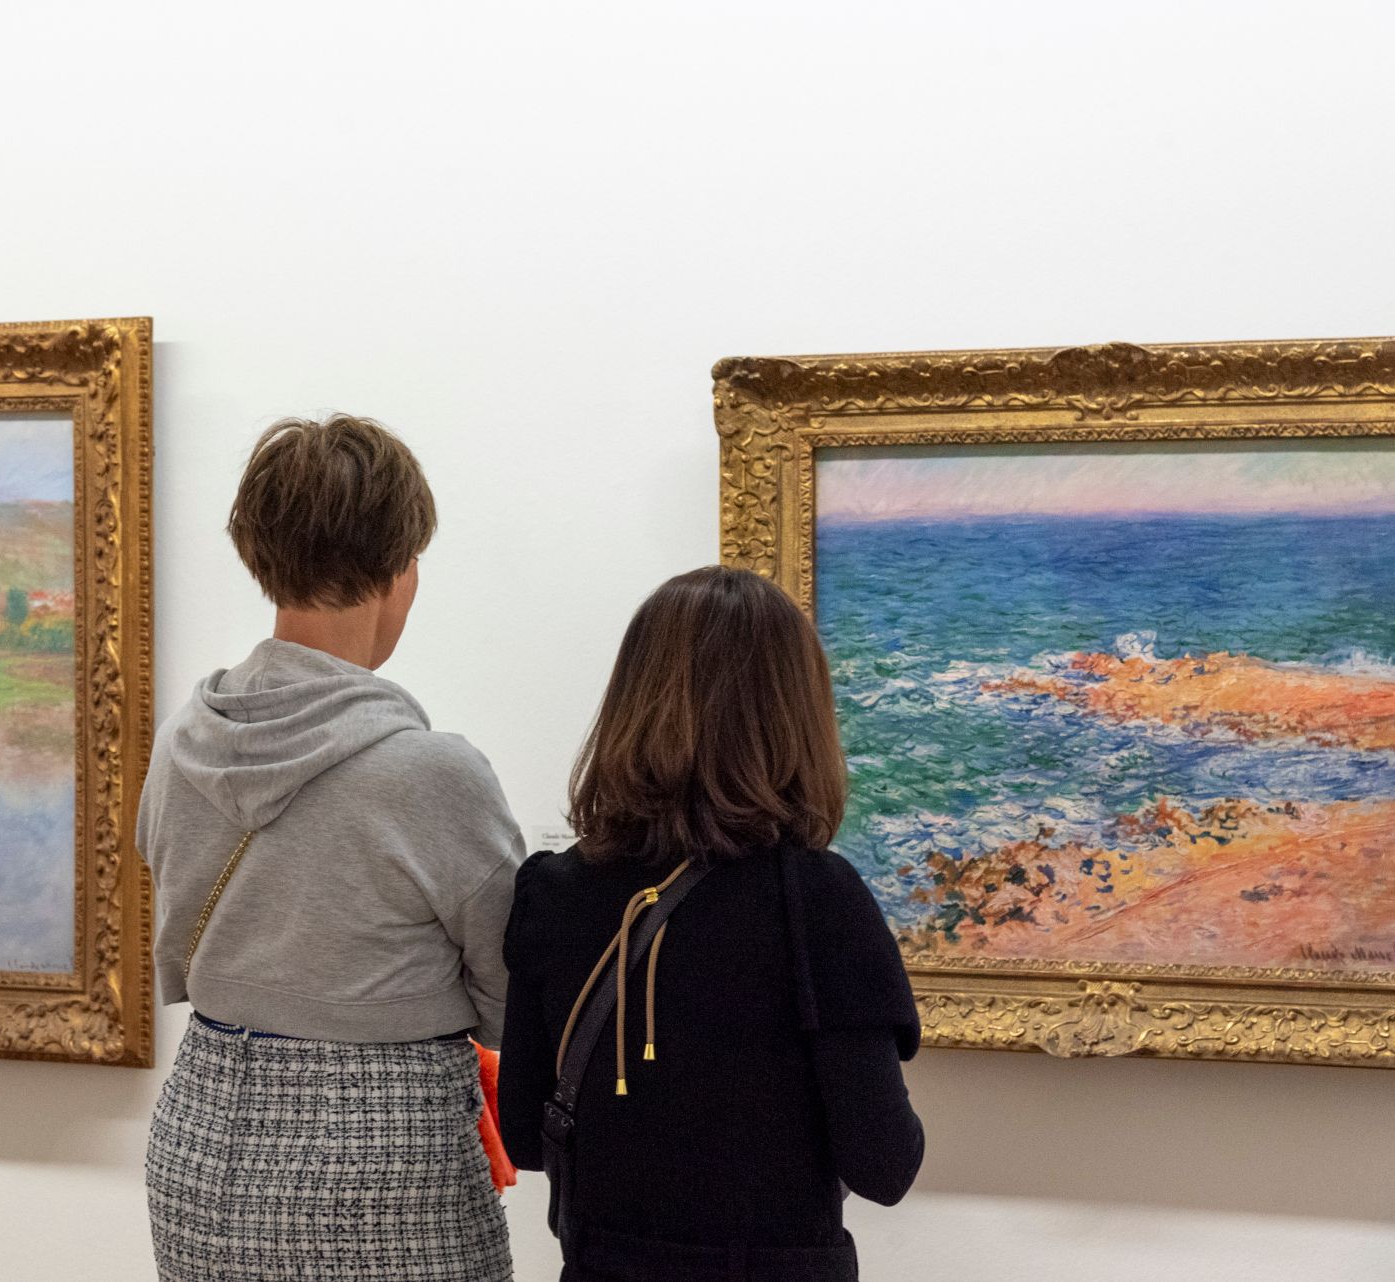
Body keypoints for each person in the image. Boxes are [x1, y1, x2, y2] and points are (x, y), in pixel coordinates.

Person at [139, 413, 520, 1282]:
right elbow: (510, 992)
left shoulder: (181, 745)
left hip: (202, 1135)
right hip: (384, 1151)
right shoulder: (431, 773)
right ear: (400, 566)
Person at [497, 565, 924, 1282]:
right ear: (795, 713)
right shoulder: (819, 898)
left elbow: (527, 1138)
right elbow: (885, 1164)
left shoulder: (555, 890)